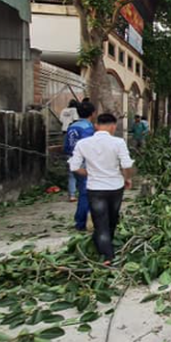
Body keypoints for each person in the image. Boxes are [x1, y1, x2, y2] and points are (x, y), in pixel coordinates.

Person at [68, 113, 134, 265]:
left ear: (96, 125)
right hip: (115, 187)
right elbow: (127, 164)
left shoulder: (83, 144)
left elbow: (74, 166)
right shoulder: (118, 142)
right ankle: (108, 253)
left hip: (95, 188)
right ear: (113, 126)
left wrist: (89, 173)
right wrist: (127, 178)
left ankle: (105, 253)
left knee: (100, 221)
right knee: (112, 219)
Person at [64, 100, 96, 228]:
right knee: (85, 192)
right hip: (84, 163)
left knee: (81, 189)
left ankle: (81, 219)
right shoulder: (88, 128)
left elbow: (66, 146)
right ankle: (81, 222)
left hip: (72, 160)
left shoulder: (72, 127)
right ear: (93, 113)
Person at [60, 99, 80, 201]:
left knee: (71, 172)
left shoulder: (64, 110)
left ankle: (71, 194)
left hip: (65, 130)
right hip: (74, 132)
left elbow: (60, 120)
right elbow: (76, 120)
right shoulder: (75, 111)